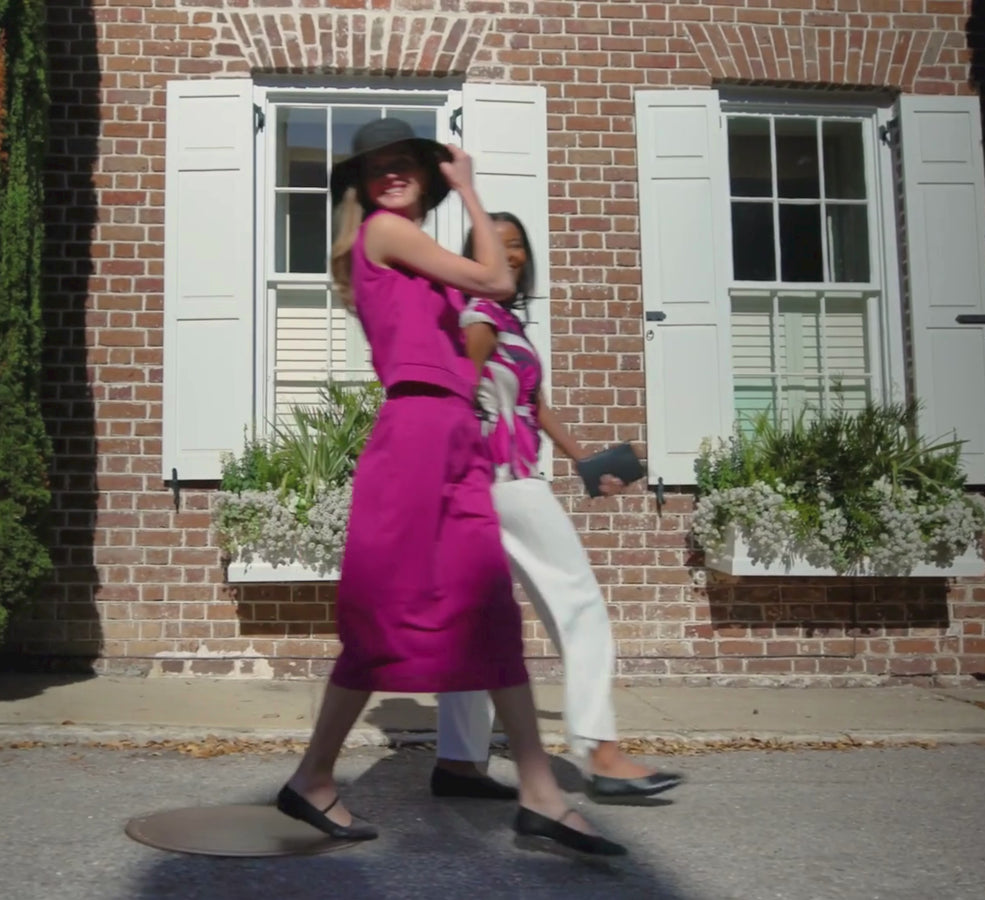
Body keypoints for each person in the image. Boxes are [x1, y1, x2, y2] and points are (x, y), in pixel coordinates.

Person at [273, 118, 625, 857]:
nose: (392, 173)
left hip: (456, 439)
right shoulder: (386, 232)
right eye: (378, 166)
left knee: (490, 611)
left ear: (421, 175)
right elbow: (497, 279)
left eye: (406, 162)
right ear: (362, 184)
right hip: (415, 437)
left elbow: (484, 324)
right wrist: (468, 188)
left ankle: (539, 791)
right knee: (382, 615)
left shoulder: (418, 259)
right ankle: (313, 776)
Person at [428, 213, 685, 804]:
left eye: (517, 245)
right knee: (579, 605)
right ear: (473, 258)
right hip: (506, 481)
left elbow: (535, 405)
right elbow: (456, 394)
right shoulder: (479, 316)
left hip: (486, 484)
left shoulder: (505, 321)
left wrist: (585, 460)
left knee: (475, 623)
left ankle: (458, 763)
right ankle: (600, 751)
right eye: (495, 245)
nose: (510, 254)